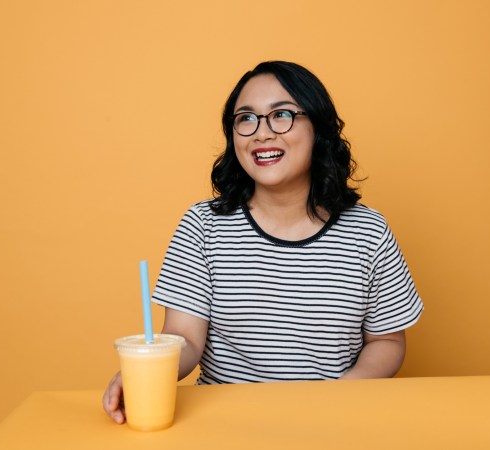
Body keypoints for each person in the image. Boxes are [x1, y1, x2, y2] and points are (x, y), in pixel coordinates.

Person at [103, 61, 423, 424]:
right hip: (224, 424)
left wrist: (341, 395)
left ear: (318, 128)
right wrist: (146, 372)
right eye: (246, 119)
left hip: (332, 423)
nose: (261, 133)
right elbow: (184, 337)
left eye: (281, 115)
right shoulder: (202, 225)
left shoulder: (368, 231)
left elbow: (387, 342)